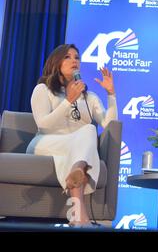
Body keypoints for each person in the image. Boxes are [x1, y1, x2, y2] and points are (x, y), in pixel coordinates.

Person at [26, 44, 118, 227]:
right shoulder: (43, 90)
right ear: (56, 62)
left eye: (77, 57)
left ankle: (78, 216)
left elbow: (109, 125)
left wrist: (111, 94)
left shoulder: (89, 97)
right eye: (68, 57)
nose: (74, 60)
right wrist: (69, 100)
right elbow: (43, 125)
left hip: (75, 150)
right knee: (87, 133)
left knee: (89, 130)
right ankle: (79, 167)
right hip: (45, 144)